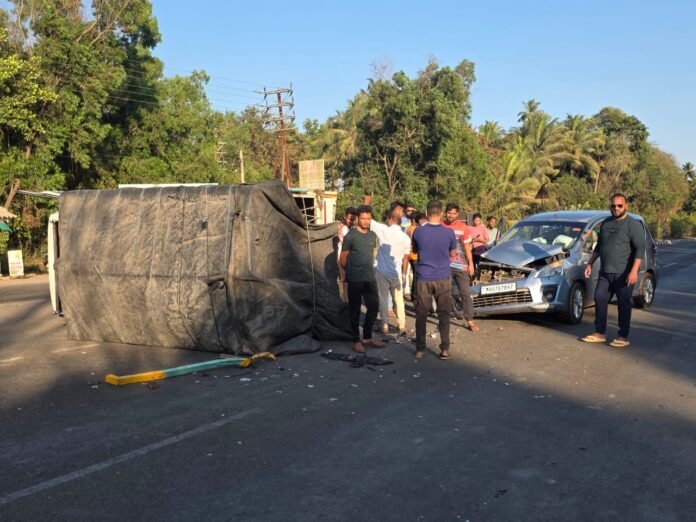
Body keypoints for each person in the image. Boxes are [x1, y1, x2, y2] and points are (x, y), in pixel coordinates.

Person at [581, 194, 645, 348]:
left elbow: (639, 249)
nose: (616, 208)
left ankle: (623, 336)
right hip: (605, 272)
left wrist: (634, 271)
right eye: (613, 206)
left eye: (619, 205)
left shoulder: (632, 224)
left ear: (625, 206)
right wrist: (590, 263)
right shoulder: (606, 223)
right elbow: (599, 246)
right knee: (599, 299)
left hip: (624, 273)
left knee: (623, 304)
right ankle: (600, 333)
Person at [411, 200, 458, 360]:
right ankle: (444, 349)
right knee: (444, 314)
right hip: (443, 277)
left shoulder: (418, 232)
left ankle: (420, 349)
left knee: (421, 313)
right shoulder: (449, 232)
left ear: (426, 212)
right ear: (442, 213)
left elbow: (415, 250)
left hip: (423, 277)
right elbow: (453, 254)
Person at [340, 205, 386, 353]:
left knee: (373, 306)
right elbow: (343, 258)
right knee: (355, 310)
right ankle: (355, 340)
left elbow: (371, 254)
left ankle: (367, 337)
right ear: (358, 218)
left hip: (369, 277)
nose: (366, 221)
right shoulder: (350, 236)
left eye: (368, 218)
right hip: (354, 278)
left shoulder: (373, 236)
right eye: (363, 218)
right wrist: (349, 272)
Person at [371, 206, 412, 334]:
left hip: (382, 272)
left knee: (383, 298)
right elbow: (406, 258)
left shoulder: (384, 230)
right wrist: (404, 274)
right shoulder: (405, 238)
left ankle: (384, 325)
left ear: (391, 220)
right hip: (397, 272)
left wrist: (368, 203)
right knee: (399, 300)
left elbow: (370, 221)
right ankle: (402, 325)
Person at [443, 203, 479, 332]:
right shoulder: (440, 226)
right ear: (445, 213)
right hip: (444, 266)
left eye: (454, 213)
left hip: (461, 266)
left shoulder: (464, 228)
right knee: (444, 293)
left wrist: (470, 264)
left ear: (457, 214)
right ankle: (445, 318)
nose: (451, 215)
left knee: (465, 293)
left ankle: (469, 320)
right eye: (449, 213)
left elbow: (467, 248)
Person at [337, 207, 357, 302]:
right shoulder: (344, 228)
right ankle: (346, 302)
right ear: (345, 217)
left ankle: (346, 300)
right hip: (343, 258)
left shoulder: (350, 228)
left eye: (353, 219)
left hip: (347, 257)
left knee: (346, 282)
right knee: (345, 281)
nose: (351, 221)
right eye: (349, 219)